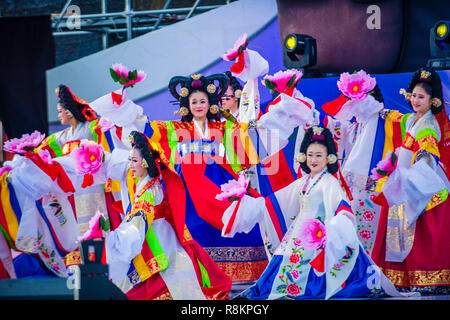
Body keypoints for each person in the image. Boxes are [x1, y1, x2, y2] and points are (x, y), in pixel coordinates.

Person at [89, 71, 313, 283]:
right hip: (188, 195)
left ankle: (244, 277)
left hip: (221, 187)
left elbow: (251, 138)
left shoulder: (223, 129)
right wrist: (124, 105)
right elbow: (143, 128)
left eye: (203, 101)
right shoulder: (175, 129)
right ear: (187, 105)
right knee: (194, 232)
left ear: (210, 104)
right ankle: (203, 278)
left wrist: (285, 110)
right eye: (194, 102)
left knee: (241, 226)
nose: (198, 106)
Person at [221, 126, 416, 299]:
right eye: (310, 154)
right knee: (283, 267)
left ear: (329, 158)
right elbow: (275, 201)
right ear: (303, 156)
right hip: (299, 233)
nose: (313, 160)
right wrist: (249, 203)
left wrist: (337, 225)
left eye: (319, 155)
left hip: (319, 234)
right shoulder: (304, 181)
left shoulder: (329, 182)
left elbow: (342, 206)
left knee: (310, 274)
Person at [80, 130, 231, 299]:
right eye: (129, 160)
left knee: (160, 285)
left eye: (134, 160)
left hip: (160, 241)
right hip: (156, 237)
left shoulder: (150, 192)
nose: (130, 165)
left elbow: (137, 226)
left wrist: (113, 239)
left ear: (145, 162)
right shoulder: (148, 183)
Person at [369, 67, 450, 295]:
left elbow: (428, 148)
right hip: (406, 180)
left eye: (421, 97)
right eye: (413, 95)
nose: (415, 100)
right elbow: (400, 118)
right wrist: (383, 112)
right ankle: (398, 278)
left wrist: (418, 171)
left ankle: (426, 278)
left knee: (419, 234)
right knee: (398, 228)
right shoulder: (414, 118)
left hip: (420, 182)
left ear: (433, 101)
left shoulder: (428, 125)